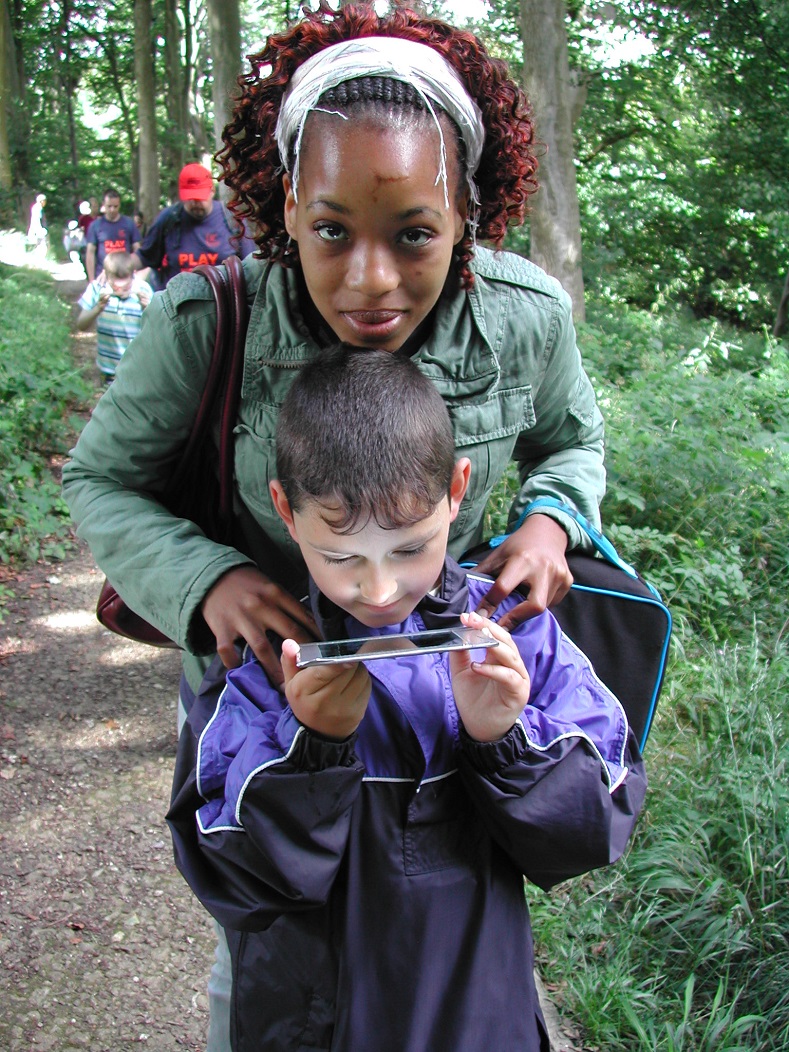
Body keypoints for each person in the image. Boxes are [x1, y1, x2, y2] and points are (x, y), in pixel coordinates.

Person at [62, 4, 607, 1049]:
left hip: (443, 693)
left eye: (414, 235)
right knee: (275, 916)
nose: (371, 280)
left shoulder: (525, 320)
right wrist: (209, 581)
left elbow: (571, 444)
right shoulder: (206, 325)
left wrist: (549, 520)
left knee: (438, 905)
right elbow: (103, 478)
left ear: (466, 218)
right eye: (330, 232)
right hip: (266, 693)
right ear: (282, 210)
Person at [168, 346, 646, 1052]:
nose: (380, 590)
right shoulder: (261, 664)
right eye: (339, 558)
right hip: (313, 1025)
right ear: (284, 509)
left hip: (481, 1014)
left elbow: (592, 831)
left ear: (458, 489)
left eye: (409, 548)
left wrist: (505, 740)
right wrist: (311, 747)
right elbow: (232, 877)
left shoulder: (519, 636)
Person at [131, 163, 256, 288]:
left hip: (221, 303)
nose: (195, 203)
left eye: (199, 198)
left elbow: (251, 268)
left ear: (212, 191)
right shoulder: (169, 219)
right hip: (178, 301)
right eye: (190, 198)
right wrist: (117, 267)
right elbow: (145, 257)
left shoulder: (232, 219)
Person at [76, 252, 153, 380]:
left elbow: (157, 329)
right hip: (108, 368)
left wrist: (148, 309)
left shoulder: (144, 289)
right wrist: (98, 308)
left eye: (126, 284)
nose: (121, 289)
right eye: (115, 284)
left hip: (137, 369)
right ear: (106, 275)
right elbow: (81, 325)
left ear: (133, 275)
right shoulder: (97, 289)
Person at [85, 189, 141, 281]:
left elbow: (137, 250)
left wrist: (137, 274)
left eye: (115, 206)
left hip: (125, 276)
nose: (112, 210)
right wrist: (91, 280)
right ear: (103, 204)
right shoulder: (95, 226)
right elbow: (90, 253)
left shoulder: (129, 224)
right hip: (103, 276)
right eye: (109, 206)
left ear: (119, 205)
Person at [27, 193, 48, 259]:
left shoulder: (36, 207)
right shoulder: (38, 208)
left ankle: (36, 259)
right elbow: (38, 220)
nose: (45, 202)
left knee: (38, 245)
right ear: (41, 201)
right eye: (44, 201)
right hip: (38, 230)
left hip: (36, 230)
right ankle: (40, 259)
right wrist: (41, 230)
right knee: (43, 246)